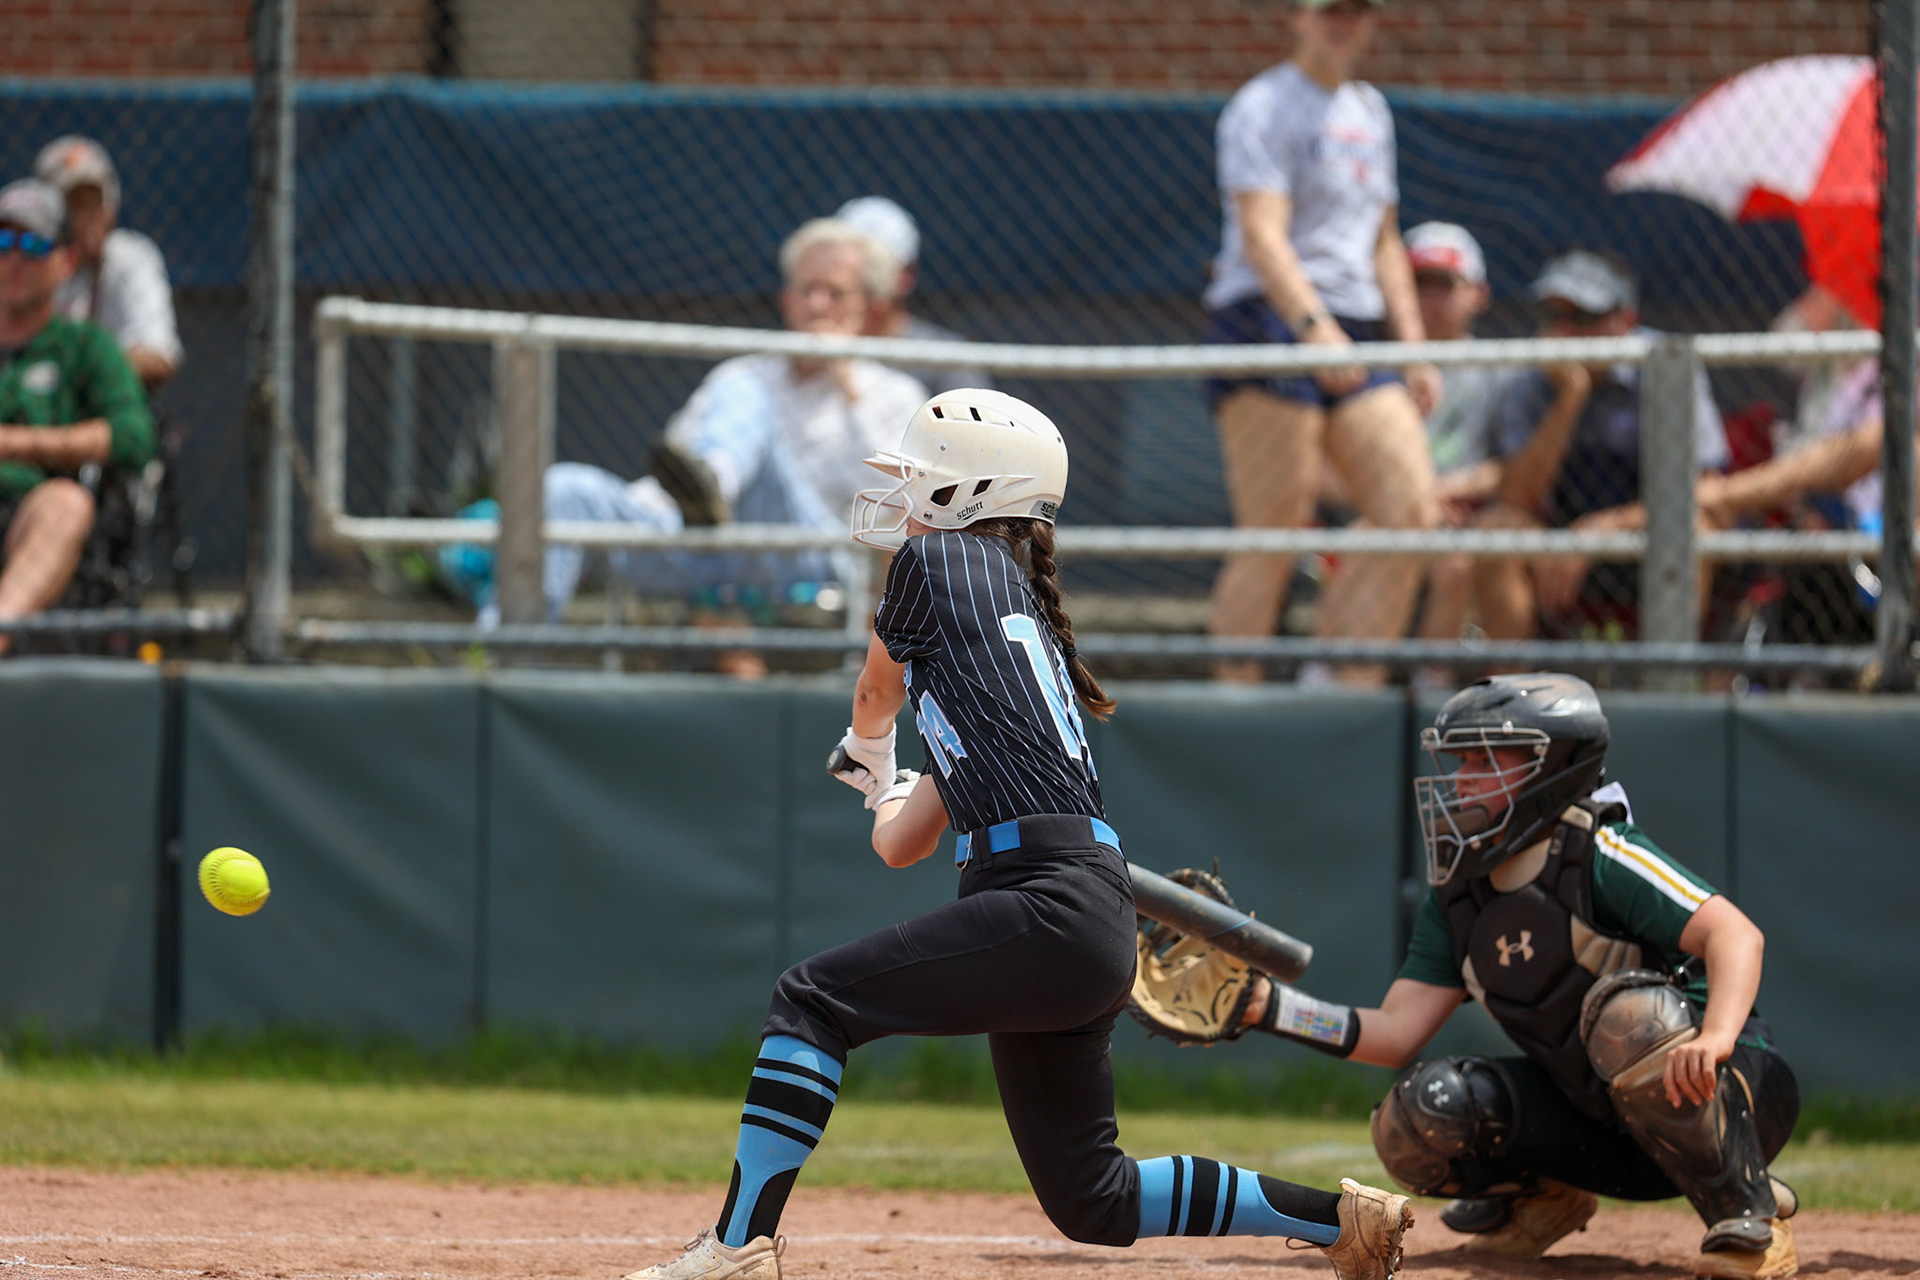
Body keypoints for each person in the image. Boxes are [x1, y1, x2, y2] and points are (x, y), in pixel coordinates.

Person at [620, 387, 1416, 1280]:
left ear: (971, 497)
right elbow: (902, 842)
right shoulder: (996, 631)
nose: (907, 505)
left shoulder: (937, 570)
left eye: (924, 486)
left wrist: (866, 746)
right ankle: (1340, 1221)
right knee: (1093, 1199)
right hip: (1068, 904)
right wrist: (890, 784)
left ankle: (737, 1247)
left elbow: (874, 694)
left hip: (1046, 899)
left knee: (811, 1001)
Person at [1197, 674, 1798, 1278]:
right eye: (1460, 762)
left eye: (1486, 761)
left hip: (1734, 1088)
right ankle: (1545, 1200)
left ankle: (1750, 1214)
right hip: (1608, 1134)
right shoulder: (1461, 897)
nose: (1461, 782)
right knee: (1421, 1110)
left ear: (1550, 769)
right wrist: (1268, 1008)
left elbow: (1735, 935)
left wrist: (1716, 1039)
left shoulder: (1599, 850)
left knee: (1631, 1020)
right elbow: (1396, 1032)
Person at [1202, 0, 1440, 684]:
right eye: (1331, 11)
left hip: (1356, 324)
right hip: (1269, 318)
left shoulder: (1370, 110)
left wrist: (1415, 346)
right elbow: (1262, 234)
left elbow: (1385, 239)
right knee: (1276, 529)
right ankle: (1232, 715)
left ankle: (1343, 696)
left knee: (1409, 514)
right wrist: (1314, 331)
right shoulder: (1264, 105)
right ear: (1299, 18)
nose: (1345, 23)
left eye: (1358, 12)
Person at [529, 217, 927, 625]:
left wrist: (847, 382)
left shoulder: (891, 392)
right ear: (786, 300)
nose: (817, 305)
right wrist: (640, 513)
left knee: (751, 408)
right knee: (565, 488)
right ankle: (513, 651)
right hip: (706, 551)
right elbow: (675, 476)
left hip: (805, 562)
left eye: (835, 294)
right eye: (807, 290)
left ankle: (718, 486)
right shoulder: (740, 376)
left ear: (868, 308)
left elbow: (898, 507)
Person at [1473, 251, 1726, 637]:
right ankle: (1516, 691)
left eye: (1582, 318)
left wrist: (1605, 529)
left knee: (1699, 527)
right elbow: (1516, 498)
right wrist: (1571, 397)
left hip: (1646, 531)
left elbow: (1707, 486)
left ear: (1625, 321)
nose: (1564, 333)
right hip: (1559, 538)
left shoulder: (1666, 366)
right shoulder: (1531, 375)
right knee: (1496, 530)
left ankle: (1668, 682)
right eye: (1554, 317)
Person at [0, 179, 155, 654]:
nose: (14, 259)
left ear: (66, 261)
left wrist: (16, 444)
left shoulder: (85, 346)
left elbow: (133, 437)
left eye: (34, 244)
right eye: (4, 241)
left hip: (29, 513)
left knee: (67, 504)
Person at [33, 136, 182, 393]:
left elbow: (158, 357)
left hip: (106, 405)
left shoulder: (131, 257)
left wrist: (70, 372)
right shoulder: (25, 260)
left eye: (95, 200)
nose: (89, 215)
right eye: (74, 204)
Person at [834, 195, 993, 394]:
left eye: (875, 268)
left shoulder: (948, 357)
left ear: (906, 274)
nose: (860, 283)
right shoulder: (811, 345)